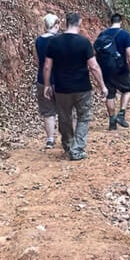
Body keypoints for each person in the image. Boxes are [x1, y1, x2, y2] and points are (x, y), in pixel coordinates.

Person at [43, 12, 107, 161]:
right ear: (79, 23)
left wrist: (47, 85)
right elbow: (94, 67)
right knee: (83, 117)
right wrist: (102, 86)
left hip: (61, 88)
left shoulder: (54, 42)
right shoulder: (84, 42)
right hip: (82, 87)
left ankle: (68, 144)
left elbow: (47, 66)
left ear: (66, 23)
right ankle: (77, 149)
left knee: (64, 118)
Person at [96, 13, 130, 131]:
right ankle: (121, 114)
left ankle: (112, 121)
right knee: (128, 89)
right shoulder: (124, 34)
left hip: (105, 70)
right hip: (120, 69)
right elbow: (129, 54)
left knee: (110, 95)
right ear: (121, 22)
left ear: (110, 22)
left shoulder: (102, 34)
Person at [34, 13, 60, 148]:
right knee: (64, 109)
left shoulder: (38, 40)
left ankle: (50, 139)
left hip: (42, 79)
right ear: (56, 25)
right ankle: (67, 136)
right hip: (60, 79)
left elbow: (37, 60)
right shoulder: (59, 40)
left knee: (48, 111)